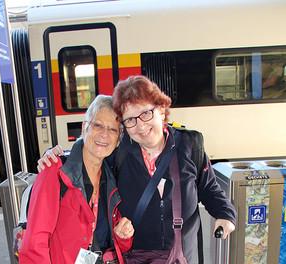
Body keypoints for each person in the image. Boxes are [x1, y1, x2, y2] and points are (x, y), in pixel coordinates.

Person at [38, 76, 237, 263]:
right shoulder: (120, 151)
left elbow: (209, 188)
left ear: (160, 109)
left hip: (182, 254)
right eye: (130, 120)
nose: (140, 126)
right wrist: (56, 154)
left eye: (145, 113)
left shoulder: (190, 144)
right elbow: (92, 146)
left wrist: (225, 213)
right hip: (135, 255)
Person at [20, 95, 134, 264]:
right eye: (98, 125)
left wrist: (122, 236)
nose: (104, 134)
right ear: (84, 128)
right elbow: (35, 242)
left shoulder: (111, 177)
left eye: (113, 129)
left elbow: (108, 243)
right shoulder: (56, 170)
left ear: (118, 141)